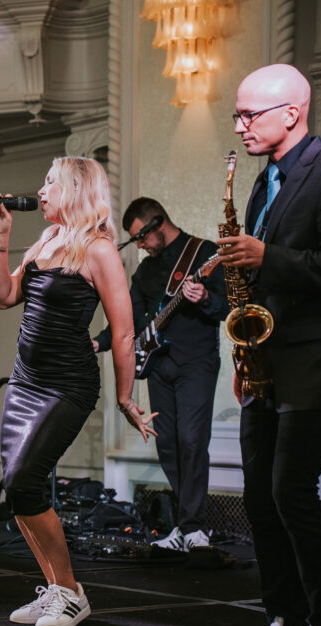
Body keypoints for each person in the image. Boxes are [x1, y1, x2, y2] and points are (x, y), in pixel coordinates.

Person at [217, 64, 321, 626]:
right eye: (238, 114)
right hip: (267, 363)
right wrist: (245, 349)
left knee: (291, 492)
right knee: (260, 499)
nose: (240, 125)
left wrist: (267, 256)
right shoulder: (264, 183)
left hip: (319, 361)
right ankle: (284, 621)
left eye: (249, 114)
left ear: (293, 112)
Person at [0, 157, 157, 626]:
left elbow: (123, 332)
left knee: (24, 482)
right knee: (20, 490)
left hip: (67, 384)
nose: (41, 191)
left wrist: (126, 397)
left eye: (50, 183)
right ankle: (57, 589)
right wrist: (0, 240)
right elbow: (1, 297)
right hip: (25, 382)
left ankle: (72, 593)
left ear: (76, 190)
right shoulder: (45, 240)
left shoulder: (99, 250)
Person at [93, 198, 228, 552]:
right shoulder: (147, 271)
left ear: (158, 224)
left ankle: (194, 528)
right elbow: (130, 319)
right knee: (167, 443)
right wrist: (100, 342)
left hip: (197, 363)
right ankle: (187, 527)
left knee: (192, 440)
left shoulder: (204, 253)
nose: (139, 245)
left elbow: (225, 307)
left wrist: (202, 297)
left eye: (141, 237)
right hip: (158, 365)